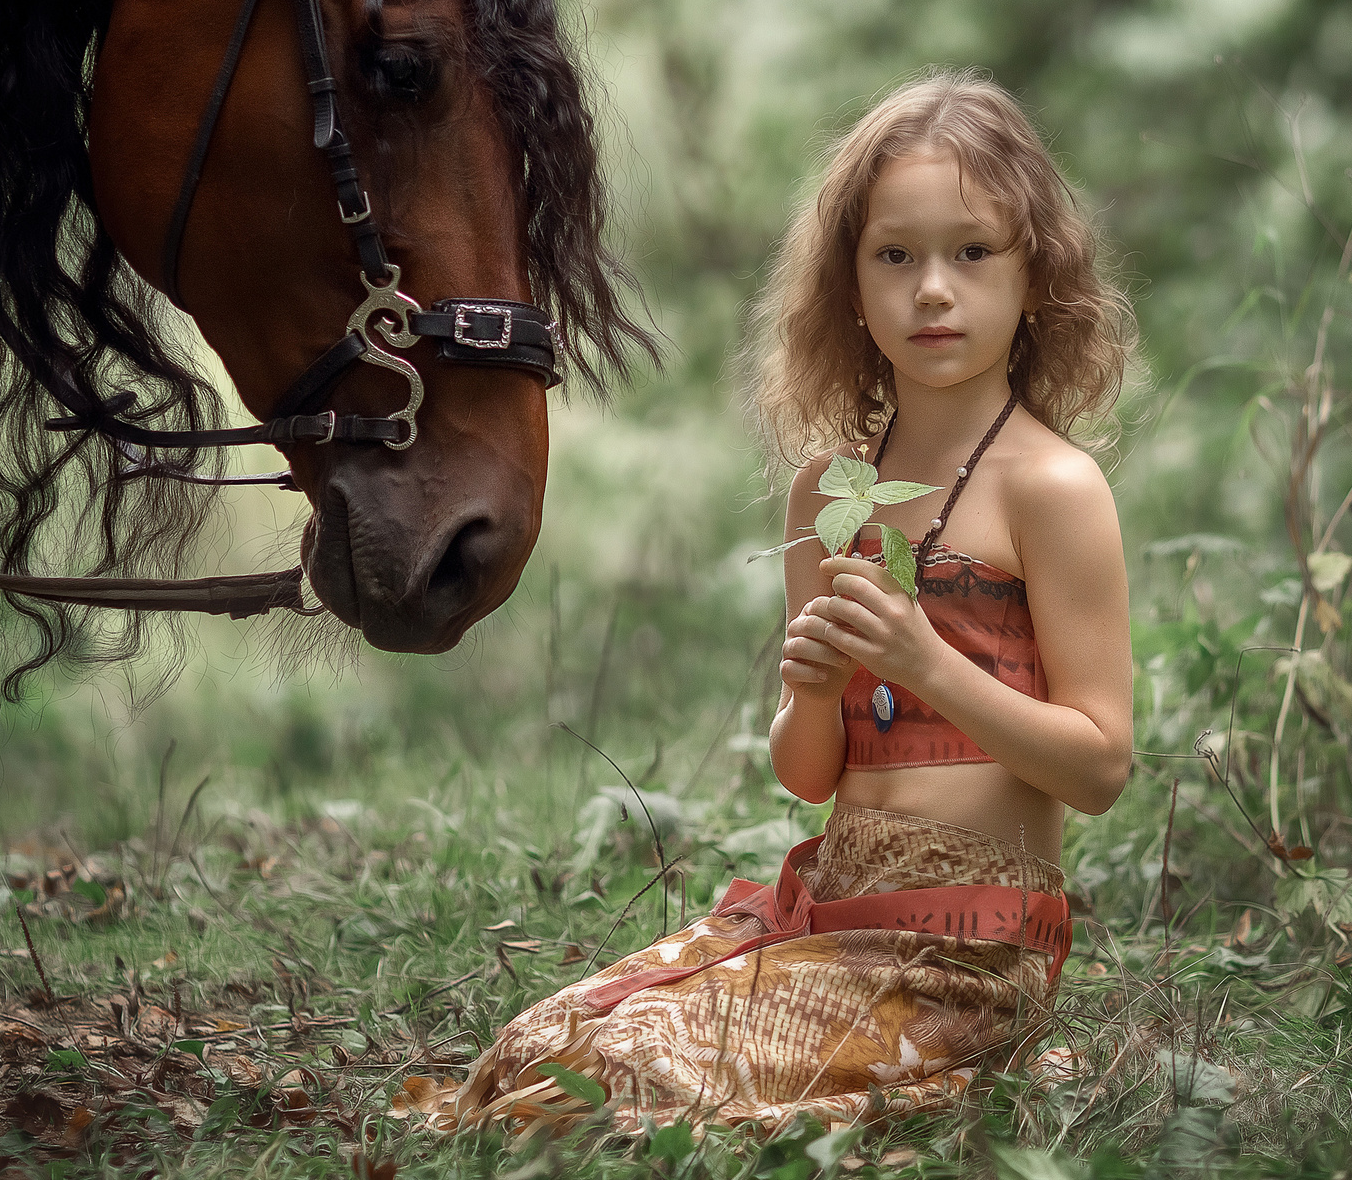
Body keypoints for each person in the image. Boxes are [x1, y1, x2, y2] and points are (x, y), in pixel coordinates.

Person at [399, 68, 1136, 1132]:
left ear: (1036, 275)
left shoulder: (1050, 487)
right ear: (849, 284)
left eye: (972, 251)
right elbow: (808, 777)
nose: (934, 288)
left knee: (639, 1073)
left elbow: (1100, 764)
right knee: (549, 1046)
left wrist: (930, 665)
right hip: (834, 916)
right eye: (896, 255)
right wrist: (817, 691)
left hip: (965, 959)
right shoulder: (830, 492)